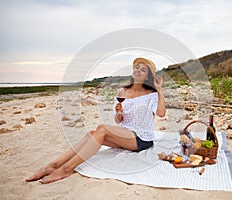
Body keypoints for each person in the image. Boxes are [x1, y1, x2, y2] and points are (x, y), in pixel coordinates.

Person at [26, 57, 166, 184]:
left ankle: (67, 169)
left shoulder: (151, 94)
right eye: (137, 67)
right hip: (125, 135)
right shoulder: (122, 92)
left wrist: (159, 89)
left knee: (102, 129)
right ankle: (54, 165)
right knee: (91, 134)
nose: (138, 70)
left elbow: (161, 113)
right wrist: (119, 112)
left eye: (143, 70)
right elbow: (118, 120)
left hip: (142, 138)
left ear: (147, 75)